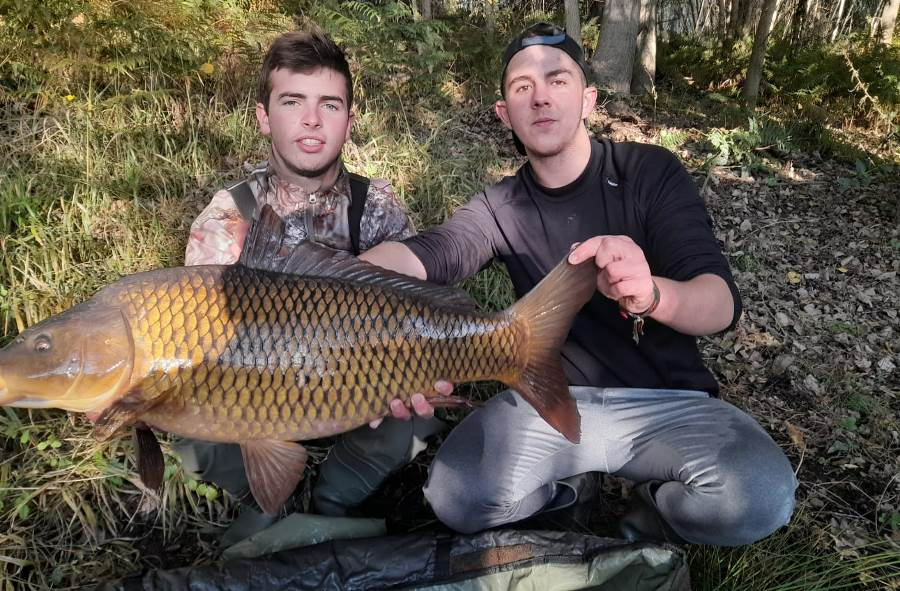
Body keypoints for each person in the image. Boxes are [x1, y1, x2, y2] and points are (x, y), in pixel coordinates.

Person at [361, 22, 797, 546]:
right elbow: (429, 254)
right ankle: (567, 493)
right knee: (458, 497)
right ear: (505, 114)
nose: (540, 96)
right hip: (550, 399)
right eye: (521, 87)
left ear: (588, 99)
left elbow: (721, 304)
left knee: (759, 497)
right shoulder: (500, 206)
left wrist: (654, 293)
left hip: (670, 402)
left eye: (558, 80)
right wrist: (339, 279)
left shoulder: (648, 172)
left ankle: (654, 510)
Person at [177, 28, 445, 525]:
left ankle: (334, 502)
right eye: (292, 101)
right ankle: (266, 507)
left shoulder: (376, 206)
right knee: (190, 425)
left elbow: (417, 310)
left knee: (419, 411)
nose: (311, 120)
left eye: (330, 104)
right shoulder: (228, 216)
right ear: (263, 116)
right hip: (253, 391)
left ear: (350, 119)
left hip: (357, 385)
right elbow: (202, 344)